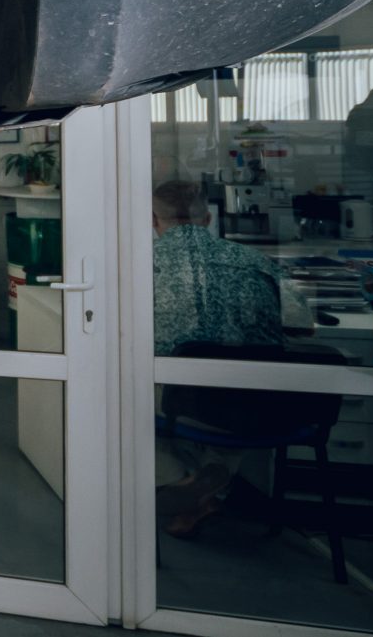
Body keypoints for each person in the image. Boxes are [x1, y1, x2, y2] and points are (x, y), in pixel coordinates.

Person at [150, 178, 285, 535]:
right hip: (255, 402)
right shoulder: (257, 262)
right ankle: (211, 483)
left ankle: (181, 479)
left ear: (152, 220)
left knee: (113, 389)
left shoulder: (136, 267)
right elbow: (296, 324)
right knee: (234, 381)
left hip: (179, 402)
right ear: (208, 218)